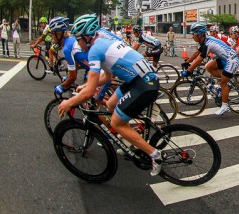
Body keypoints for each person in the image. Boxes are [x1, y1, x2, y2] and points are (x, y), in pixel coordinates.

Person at [57, 14, 163, 176]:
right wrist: (86, 85)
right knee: (111, 104)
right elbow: (107, 77)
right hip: (137, 80)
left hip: (143, 84)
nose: (78, 44)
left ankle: (156, 155)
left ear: (86, 37)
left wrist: (69, 102)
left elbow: (91, 92)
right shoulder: (103, 43)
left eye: (79, 40)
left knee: (116, 123)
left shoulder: (95, 50)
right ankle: (132, 134)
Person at [182, 22, 239, 116]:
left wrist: (189, 71)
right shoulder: (205, 40)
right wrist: (187, 62)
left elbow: (199, 59)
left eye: (193, 34)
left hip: (231, 60)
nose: (192, 36)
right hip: (224, 58)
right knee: (208, 66)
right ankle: (226, 81)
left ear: (200, 35)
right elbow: (197, 52)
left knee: (223, 83)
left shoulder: (208, 43)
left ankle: (225, 106)